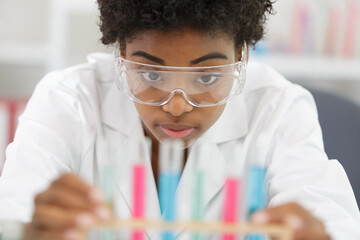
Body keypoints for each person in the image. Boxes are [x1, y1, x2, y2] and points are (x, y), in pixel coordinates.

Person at [0, 0, 359, 239]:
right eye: (152, 75)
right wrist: (28, 229)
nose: (176, 106)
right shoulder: (68, 101)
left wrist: (313, 231)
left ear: (242, 55)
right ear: (121, 53)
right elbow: (13, 214)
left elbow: (332, 222)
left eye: (206, 78)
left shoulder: (278, 108)